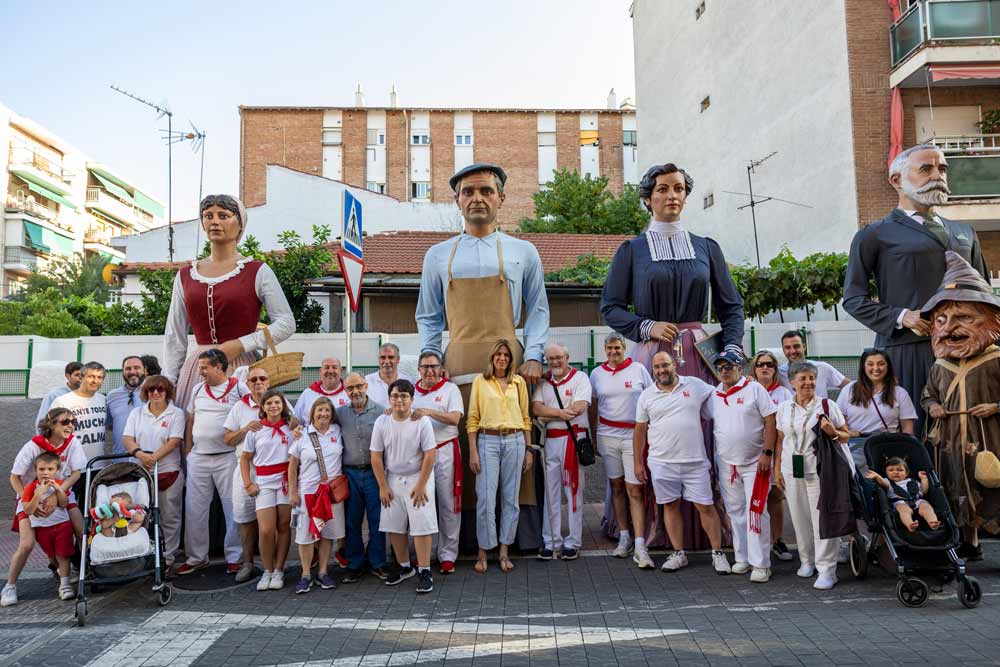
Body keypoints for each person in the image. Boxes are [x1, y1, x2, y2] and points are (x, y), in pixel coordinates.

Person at [601, 163, 745, 549]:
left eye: (679, 188)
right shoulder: (631, 250)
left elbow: (732, 307)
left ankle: (712, 527)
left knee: (704, 432)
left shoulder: (706, 247)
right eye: (662, 189)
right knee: (654, 433)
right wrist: (646, 327)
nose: (672, 196)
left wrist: (730, 347)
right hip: (652, 354)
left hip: (699, 353)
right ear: (648, 199)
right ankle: (654, 528)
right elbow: (610, 307)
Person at [416, 163, 549, 554]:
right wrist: (430, 354)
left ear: (502, 199)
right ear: (457, 200)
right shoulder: (438, 256)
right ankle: (464, 540)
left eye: (486, 191)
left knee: (514, 441)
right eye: (469, 191)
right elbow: (428, 315)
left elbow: (538, 310)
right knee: (462, 447)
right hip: (456, 361)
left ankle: (516, 538)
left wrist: (536, 355)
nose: (477, 198)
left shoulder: (524, 251)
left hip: (512, 361)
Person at [843, 144, 989, 427]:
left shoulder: (965, 231)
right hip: (907, 351)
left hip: (968, 350)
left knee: (973, 436)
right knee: (916, 435)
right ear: (896, 180)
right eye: (926, 168)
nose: (938, 175)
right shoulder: (874, 234)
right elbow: (853, 299)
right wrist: (901, 316)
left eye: (942, 168)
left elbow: (983, 293)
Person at [163, 194, 295, 409]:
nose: (214, 221)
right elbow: (174, 335)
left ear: (240, 224)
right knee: (196, 427)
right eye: (208, 216)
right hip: (198, 368)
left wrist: (240, 345)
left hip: (241, 365)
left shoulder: (257, 271)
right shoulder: (186, 275)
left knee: (245, 425)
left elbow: (286, 322)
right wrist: (169, 380)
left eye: (223, 216)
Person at [920, 251, 1000, 561]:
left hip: (989, 440)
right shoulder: (940, 365)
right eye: (942, 320)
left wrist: (995, 406)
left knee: (993, 490)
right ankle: (971, 543)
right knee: (957, 490)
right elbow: (928, 394)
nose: (950, 327)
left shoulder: (996, 359)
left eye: (964, 317)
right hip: (950, 441)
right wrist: (933, 406)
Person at [634, 351, 729, 574]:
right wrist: (638, 463)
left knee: (706, 506)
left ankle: (717, 553)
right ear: (653, 370)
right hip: (661, 462)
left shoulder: (695, 385)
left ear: (674, 364)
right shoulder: (646, 395)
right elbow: (639, 430)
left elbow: (723, 393)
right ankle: (679, 553)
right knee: (670, 506)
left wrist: (746, 381)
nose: (661, 371)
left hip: (695, 461)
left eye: (665, 365)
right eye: (657, 367)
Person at [774, 361, 852, 590]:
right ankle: (807, 560)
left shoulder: (827, 406)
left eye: (811, 378)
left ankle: (827, 570)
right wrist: (777, 469)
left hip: (820, 470)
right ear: (792, 383)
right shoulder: (784, 408)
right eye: (803, 379)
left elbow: (846, 435)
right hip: (791, 470)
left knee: (822, 520)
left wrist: (833, 432)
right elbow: (781, 440)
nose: (808, 382)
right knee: (800, 519)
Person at [4, 408, 84, 607]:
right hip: (31, 495)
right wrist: (27, 500)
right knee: (27, 544)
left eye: (73, 421)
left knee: (81, 530)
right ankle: (10, 586)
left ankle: (86, 573)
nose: (70, 425)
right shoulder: (33, 446)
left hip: (60, 491)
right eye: (65, 421)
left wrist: (59, 495)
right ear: (51, 424)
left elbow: (76, 473)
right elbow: (15, 477)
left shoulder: (72, 443)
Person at [223, 366, 296, 583]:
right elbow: (229, 440)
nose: (258, 382)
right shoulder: (240, 407)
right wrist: (245, 429)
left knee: (282, 525)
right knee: (251, 521)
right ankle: (253, 564)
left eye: (262, 378)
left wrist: (298, 427)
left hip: (283, 477)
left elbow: (295, 423)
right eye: (253, 379)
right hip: (255, 475)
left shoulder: (284, 416)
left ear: (268, 381)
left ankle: (278, 569)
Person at [178, 349, 248, 576]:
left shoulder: (238, 387)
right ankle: (197, 557)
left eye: (204, 367)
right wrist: (188, 449)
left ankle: (234, 557)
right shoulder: (198, 389)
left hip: (227, 457)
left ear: (219, 367)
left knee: (232, 507)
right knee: (194, 510)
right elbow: (190, 419)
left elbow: (252, 411)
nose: (201, 372)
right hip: (198, 457)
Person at [711, 351, 778, 583]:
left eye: (729, 366)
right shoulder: (714, 394)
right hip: (728, 463)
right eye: (720, 367)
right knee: (735, 511)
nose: (724, 370)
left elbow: (771, 421)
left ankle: (761, 564)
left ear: (740, 368)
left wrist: (767, 454)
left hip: (755, 463)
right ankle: (743, 557)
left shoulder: (755, 389)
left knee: (756, 512)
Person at [467, 340, 533, 573]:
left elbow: (526, 417)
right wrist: (473, 450)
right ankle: (483, 551)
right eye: (498, 354)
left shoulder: (519, 383)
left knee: (510, 500)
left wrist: (528, 449)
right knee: (485, 499)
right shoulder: (480, 382)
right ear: (492, 358)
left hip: (515, 441)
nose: (502, 358)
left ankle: (504, 551)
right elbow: (473, 418)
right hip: (488, 441)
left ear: (510, 359)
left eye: (506, 354)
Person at [589, 331, 655, 567]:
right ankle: (624, 536)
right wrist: (593, 435)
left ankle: (640, 543)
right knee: (616, 486)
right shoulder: (596, 373)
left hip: (633, 436)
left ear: (623, 348)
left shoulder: (638, 370)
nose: (613, 352)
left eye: (617, 348)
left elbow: (652, 398)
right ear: (604, 350)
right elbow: (593, 405)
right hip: (607, 435)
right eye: (609, 349)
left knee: (634, 489)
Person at [371, 379, 438, 594]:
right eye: (395, 396)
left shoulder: (421, 421)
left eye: (404, 396)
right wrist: (383, 486)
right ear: (389, 398)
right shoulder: (382, 422)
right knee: (394, 525)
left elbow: (430, 454)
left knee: (421, 525)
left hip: (419, 477)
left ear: (411, 399)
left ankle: (425, 570)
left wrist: (421, 486)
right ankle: (404, 566)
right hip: (392, 478)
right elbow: (375, 455)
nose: (399, 400)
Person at [532, 343, 591, 561]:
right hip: (550, 443)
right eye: (551, 358)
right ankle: (551, 541)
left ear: (567, 356)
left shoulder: (581, 378)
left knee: (573, 492)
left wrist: (547, 416)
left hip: (573, 440)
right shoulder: (544, 382)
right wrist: (558, 413)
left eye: (559, 357)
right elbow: (535, 409)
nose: (555, 362)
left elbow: (579, 408)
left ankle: (573, 542)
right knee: (551, 492)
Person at [122, 376, 185, 568]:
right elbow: (127, 438)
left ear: (167, 392)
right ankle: (143, 553)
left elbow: (174, 441)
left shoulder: (177, 414)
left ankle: (167, 556)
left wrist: (153, 457)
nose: (155, 393)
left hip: (168, 472)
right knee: (141, 515)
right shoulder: (137, 413)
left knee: (169, 516)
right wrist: (140, 454)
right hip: (142, 473)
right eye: (151, 390)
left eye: (160, 389)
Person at [411, 351, 464, 575]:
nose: (430, 371)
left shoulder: (450, 389)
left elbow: (454, 418)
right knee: (423, 504)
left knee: (448, 503)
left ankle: (448, 554)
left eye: (434, 366)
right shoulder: (411, 391)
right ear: (419, 369)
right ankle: (427, 553)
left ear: (441, 368)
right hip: (420, 455)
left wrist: (429, 412)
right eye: (425, 367)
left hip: (445, 450)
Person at [288, 397, 344, 594]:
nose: (323, 414)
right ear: (312, 413)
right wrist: (293, 492)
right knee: (306, 536)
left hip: (330, 494)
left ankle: (323, 571)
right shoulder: (302, 435)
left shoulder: (337, 431)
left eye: (327, 410)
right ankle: (305, 574)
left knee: (327, 534)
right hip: (308, 493)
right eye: (319, 410)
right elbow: (292, 465)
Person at [336, 373, 389, 583]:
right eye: (350, 388)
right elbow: (316, 421)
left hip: (374, 473)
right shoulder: (339, 413)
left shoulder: (380, 412)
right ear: (345, 390)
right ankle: (355, 563)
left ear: (366, 386)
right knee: (352, 521)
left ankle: (377, 562)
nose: (355, 391)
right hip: (349, 474)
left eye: (359, 386)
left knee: (377, 520)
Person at [241, 389, 295, 591]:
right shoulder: (255, 430)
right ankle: (267, 569)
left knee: (283, 526)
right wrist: (248, 483)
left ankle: (279, 569)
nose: (274, 406)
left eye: (277, 403)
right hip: (263, 481)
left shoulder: (291, 428)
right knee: (265, 530)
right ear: (263, 407)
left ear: (283, 405)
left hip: (285, 481)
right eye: (269, 403)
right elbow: (245, 458)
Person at [750, 350, 795, 563]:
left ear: (775, 369)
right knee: (754, 499)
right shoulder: (748, 390)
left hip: (777, 452)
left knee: (775, 497)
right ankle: (756, 544)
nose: (765, 368)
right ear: (754, 369)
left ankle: (777, 540)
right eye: (760, 365)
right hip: (752, 453)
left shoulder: (784, 394)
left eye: (769, 364)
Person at [12, 454, 74, 603]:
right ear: (36, 470)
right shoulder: (30, 488)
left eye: (50, 469)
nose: (45, 472)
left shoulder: (60, 483)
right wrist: (38, 493)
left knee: (63, 555)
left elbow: (64, 504)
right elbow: (27, 510)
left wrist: (58, 490)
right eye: (41, 469)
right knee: (52, 557)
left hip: (62, 526)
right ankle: (60, 572)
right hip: (42, 528)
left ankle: (65, 585)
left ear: (57, 470)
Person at [838, 349, 917, 440]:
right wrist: (847, 431)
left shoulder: (900, 393)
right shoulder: (849, 389)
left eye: (881, 364)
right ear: (863, 367)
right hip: (855, 445)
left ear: (888, 366)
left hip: (888, 446)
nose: (876, 368)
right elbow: (838, 419)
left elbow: (908, 429)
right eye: (870, 364)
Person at [51, 362, 108, 472]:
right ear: (81, 377)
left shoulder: (103, 399)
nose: (95, 381)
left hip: (97, 465)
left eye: (99, 377)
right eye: (91, 376)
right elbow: (50, 434)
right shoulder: (62, 401)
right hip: (70, 469)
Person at [865, 458, 940, 532]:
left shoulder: (912, 481)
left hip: (917, 500)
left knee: (926, 507)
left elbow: (923, 491)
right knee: (903, 510)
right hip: (900, 502)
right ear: (886, 473)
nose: (896, 472)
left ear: (906, 473)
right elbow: (883, 483)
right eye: (891, 470)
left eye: (900, 470)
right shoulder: (887, 481)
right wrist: (877, 476)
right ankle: (910, 524)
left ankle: (932, 522)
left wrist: (924, 479)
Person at [777, 331, 849, 398]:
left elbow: (849, 385)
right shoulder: (779, 373)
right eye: (787, 348)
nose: (792, 351)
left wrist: (843, 404)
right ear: (783, 350)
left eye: (796, 346)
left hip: (820, 411)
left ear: (804, 346)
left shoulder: (823, 367)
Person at [106, 356, 147, 457]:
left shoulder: (154, 393)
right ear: (122, 372)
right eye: (128, 368)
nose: (132, 372)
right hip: (120, 459)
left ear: (145, 371)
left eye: (137, 367)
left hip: (147, 458)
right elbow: (110, 425)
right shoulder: (112, 396)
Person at [295, 357, 349, 424]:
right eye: (326, 367)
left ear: (340, 371)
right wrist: (296, 429)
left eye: (334, 367)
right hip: (310, 433)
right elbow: (296, 418)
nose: (330, 371)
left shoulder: (348, 393)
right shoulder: (308, 393)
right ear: (320, 371)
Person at [35, 362, 82, 426]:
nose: (81, 378)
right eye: (77, 375)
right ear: (67, 376)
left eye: (83, 375)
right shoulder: (54, 395)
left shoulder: (90, 395)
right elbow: (42, 420)